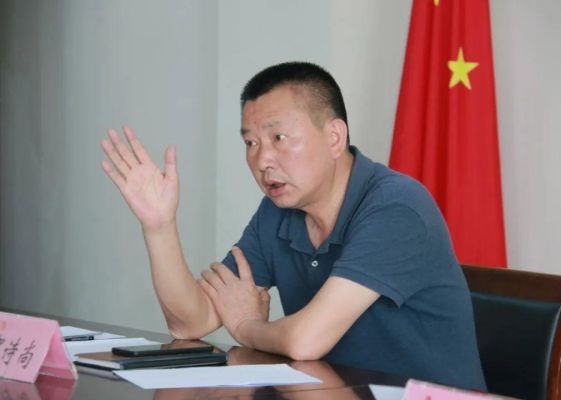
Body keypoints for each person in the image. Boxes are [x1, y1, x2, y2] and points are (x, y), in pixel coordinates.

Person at [100, 61, 486, 390]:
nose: (262, 160)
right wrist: (159, 226)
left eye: (279, 137)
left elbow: (306, 341)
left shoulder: (396, 207)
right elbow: (191, 322)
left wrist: (246, 326)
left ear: (334, 137)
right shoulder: (279, 212)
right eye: (251, 143)